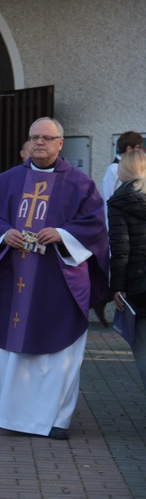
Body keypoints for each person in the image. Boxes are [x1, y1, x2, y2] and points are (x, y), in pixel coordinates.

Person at [0, 117, 109, 440]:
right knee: (14, 350)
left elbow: (95, 226)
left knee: (57, 353)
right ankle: (11, 415)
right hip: (13, 279)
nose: (39, 144)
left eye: (47, 138)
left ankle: (55, 419)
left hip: (56, 283)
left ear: (60, 143)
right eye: (34, 138)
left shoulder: (80, 184)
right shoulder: (6, 181)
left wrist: (62, 234)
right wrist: (4, 234)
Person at [107, 149, 146, 390]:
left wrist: (117, 288)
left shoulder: (119, 201)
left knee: (143, 347)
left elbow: (121, 249)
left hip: (138, 285)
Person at [101, 131, 144, 221]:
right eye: (139, 148)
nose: (141, 151)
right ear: (129, 149)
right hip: (119, 222)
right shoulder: (113, 169)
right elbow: (110, 199)